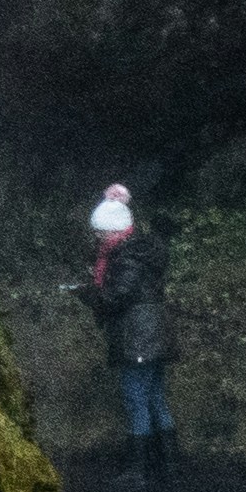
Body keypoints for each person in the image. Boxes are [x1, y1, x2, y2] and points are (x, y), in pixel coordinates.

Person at [90, 181, 176, 475]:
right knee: (155, 397)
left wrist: (91, 296)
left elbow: (118, 296)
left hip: (138, 336)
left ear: (116, 230)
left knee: (135, 398)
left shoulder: (126, 257)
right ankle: (168, 465)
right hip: (155, 333)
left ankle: (137, 470)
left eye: (102, 231)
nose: (98, 236)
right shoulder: (142, 251)